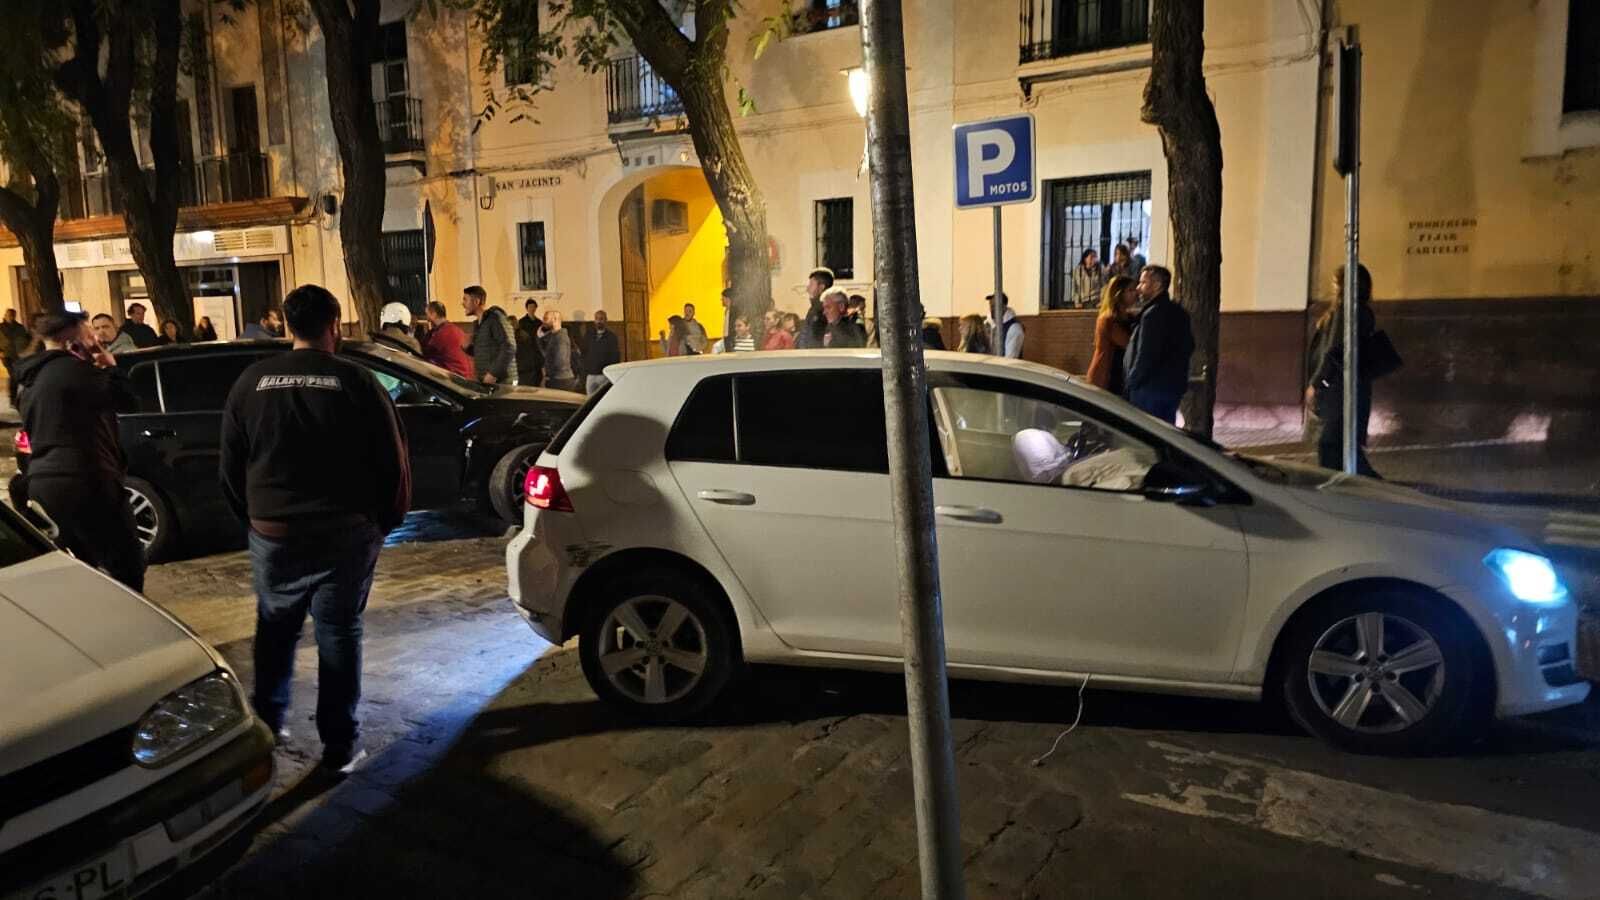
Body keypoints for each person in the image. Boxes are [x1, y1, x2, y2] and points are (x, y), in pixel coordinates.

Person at [220, 284, 410, 775]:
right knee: (339, 632)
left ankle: (267, 726)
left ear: (287, 324)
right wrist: (385, 522)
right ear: (334, 325)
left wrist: (256, 519)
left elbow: (231, 466)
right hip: (343, 534)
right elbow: (392, 462)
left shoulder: (250, 382)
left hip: (274, 532)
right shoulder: (356, 380)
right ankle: (339, 746)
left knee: (275, 629)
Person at [16, 311, 145, 591]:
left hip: (42, 483)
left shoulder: (29, 379)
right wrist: (109, 366)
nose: (94, 337)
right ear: (70, 338)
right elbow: (128, 401)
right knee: (128, 564)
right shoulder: (76, 372)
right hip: (86, 479)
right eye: (88, 332)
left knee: (80, 567)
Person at [1307, 263, 1383, 476]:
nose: (1333, 287)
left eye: (1336, 282)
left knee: (1330, 444)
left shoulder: (1345, 311)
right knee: (1343, 446)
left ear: (1346, 285)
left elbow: (1334, 350)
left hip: (1337, 389)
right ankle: (1365, 484)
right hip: (1349, 388)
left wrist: (1316, 383)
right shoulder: (1362, 311)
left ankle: (1345, 487)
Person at [1123, 265, 1194, 424]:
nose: (1138, 288)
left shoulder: (1152, 314)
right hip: (1171, 388)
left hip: (1149, 391)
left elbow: (1146, 355)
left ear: (1157, 285)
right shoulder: (1180, 312)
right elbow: (1189, 346)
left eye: (1143, 283)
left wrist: (1131, 383)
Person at [1086, 275, 1137, 393]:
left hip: (1119, 375)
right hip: (1106, 376)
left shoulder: (1128, 317)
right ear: (1118, 294)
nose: (1135, 293)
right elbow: (1127, 343)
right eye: (1130, 290)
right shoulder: (1108, 319)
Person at [462, 285, 515, 385]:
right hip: (487, 381)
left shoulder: (495, 318)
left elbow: (509, 347)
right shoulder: (477, 324)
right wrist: (467, 348)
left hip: (502, 382)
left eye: (465, 299)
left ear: (476, 301)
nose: (463, 304)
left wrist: (493, 374)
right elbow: (486, 352)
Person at [421, 301, 474, 379]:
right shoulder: (454, 329)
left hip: (455, 377)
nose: (426, 318)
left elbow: (424, 352)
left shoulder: (442, 333)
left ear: (434, 314)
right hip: (466, 375)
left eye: (427, 314)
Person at [539, 310, 581, 392]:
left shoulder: (561, 338)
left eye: (546, 318)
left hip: (560, 380)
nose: (543, 321)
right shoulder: (553, 335)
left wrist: (547, 375)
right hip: (556, 378)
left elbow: (561, 361)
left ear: (555, 319)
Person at [584, 309, 622, 393]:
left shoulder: (611, 337)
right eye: (597, 319)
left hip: (604, 375)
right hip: (591, 374)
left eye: (601, 319)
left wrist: (610, 372)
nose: (599, 321)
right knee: (589, 398)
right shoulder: (589, 335)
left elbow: (615, 356)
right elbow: (584, 352)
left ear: (606, 320)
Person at [1, 309, 31, 407]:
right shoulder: (0, 327)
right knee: (14, 375)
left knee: (16, 376)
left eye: (13, 315)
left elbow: (26, 338)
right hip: (7, 355)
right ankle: (13, 399)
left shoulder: (19, 327)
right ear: (5, 315)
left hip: (18, 355)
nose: (10, 317)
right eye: (9, 315)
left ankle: (16, 398)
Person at [796, 268, 832, 349]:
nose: (807, 289)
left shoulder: (825, 309)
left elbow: (814, 338)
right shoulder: (814, 308)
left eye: (811, 285)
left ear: (821, 287)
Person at [515, 298, 544, 388]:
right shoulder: (521, 322)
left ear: (536, 308)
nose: (532, 308)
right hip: (525, 352)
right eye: (530, 307)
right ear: (527, 308)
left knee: (537, 376)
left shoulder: (539, 322)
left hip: (537, 351)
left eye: (534, 307)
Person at [987, 292, 1024, 358]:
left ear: (1004, 307)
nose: (991, 309)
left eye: (994, 305)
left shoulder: (1014, 328)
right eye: (990, 305)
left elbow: (1010, 358)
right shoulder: (989, 324)